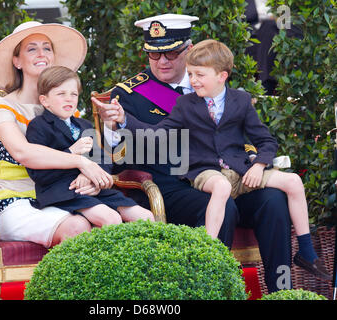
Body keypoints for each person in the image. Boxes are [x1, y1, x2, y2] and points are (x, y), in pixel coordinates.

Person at [93, 13, 294, 292]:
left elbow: (242, 138)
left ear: (188, 50)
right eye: (154, 55)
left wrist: (251, 162)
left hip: (223, 177)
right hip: (170, 186)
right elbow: (114, 158)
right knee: (223, 204)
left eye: (172, 53)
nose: (162, 62)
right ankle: (212, 292)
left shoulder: (211, 85)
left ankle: (282, 292)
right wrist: (113, 126)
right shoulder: (128, 95)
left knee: (272, 199)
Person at [0, 21, 114, 248]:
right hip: (17, 202)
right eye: (31, 48)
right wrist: (79, 161)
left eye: (47, 48)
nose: (41, 54)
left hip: (62, 196)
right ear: (17, 61)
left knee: (118, 216)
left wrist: (89, 179)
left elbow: (91, 152)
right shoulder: (4, 106)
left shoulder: (65, 105)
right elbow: (23, 153)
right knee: (78, 227)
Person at [25, 66, 155, 226]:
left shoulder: (84, 125)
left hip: (93, 189)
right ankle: (115, 251)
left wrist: (90, 177)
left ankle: (147, 251)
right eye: (61, 94)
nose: (69, 99)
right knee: (110, 218)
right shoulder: (38, 126)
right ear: (44, 100)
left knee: (145, 216)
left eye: (73, 94)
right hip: (61, 192)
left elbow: (104, 160)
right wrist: (71, 152)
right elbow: (38, 173)